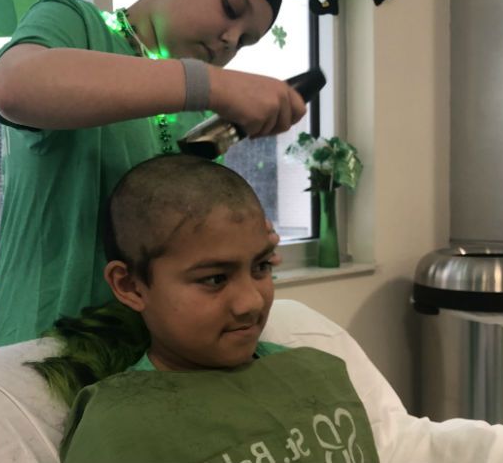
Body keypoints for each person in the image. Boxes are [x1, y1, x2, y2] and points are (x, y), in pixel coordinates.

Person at [0, 0, 307, 347]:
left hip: (149, 356)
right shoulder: (77, 24)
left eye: (247, 41)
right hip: (47, 343)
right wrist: (212, 83)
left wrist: (243, 246)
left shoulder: (196, 110)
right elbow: (16, 87)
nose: (231, 39)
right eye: (230, 8)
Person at [30, 154, 379, 463]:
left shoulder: (318, 372)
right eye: (214, 279)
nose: (252, 302)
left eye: (261, 267)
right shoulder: (121, 427)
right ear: (130, 286)